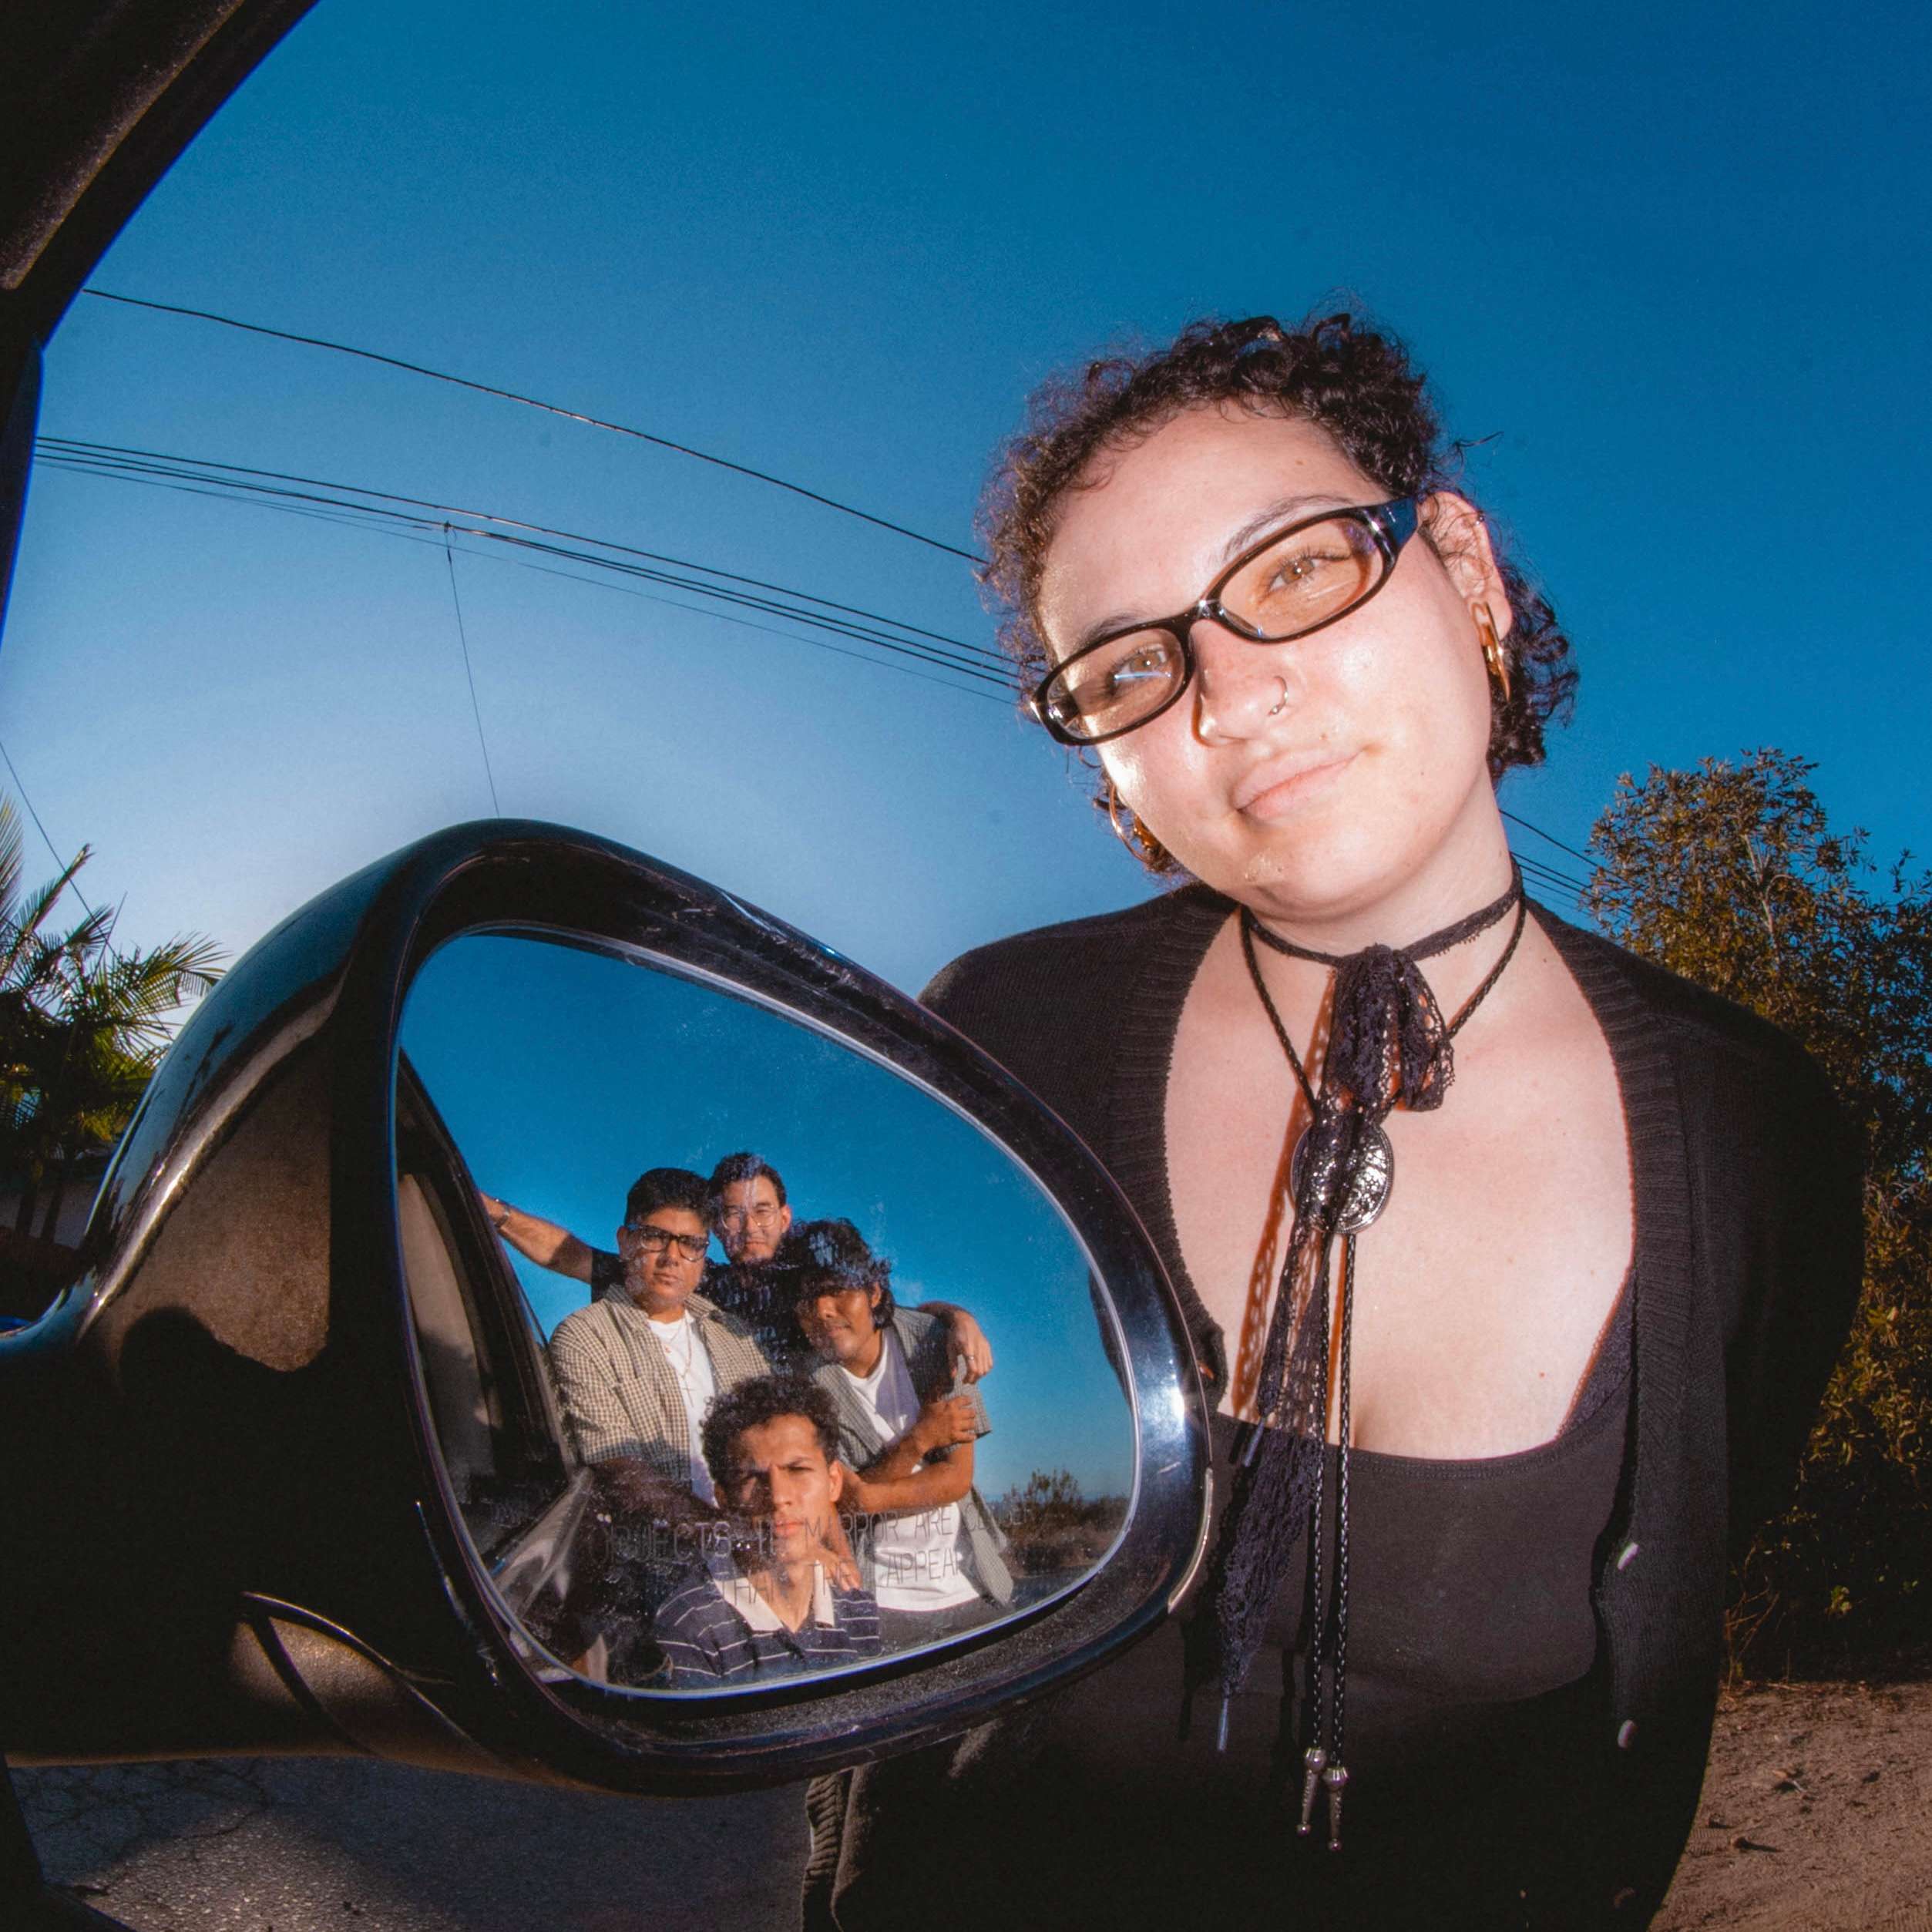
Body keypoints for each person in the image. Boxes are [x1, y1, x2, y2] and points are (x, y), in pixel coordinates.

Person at [808, 314, 1863, 1930]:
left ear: (1462, 567)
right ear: (1107, 774)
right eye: (1130, 666)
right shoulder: (1001, 1032)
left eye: (1292, 569)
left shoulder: (1752, 1136)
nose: (1228, 696)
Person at [483, 1151, 993, 1376]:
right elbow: (577, 1256)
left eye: (762, 1210)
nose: (748, 1226)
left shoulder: (821, 1283)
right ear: (715, 1230)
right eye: (731, 1214)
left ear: (786, 1215)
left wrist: (956, 1318)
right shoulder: (698, 1279)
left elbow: (892, 1311)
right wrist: (495, 1214)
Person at [788, 1218, 1013, 1643]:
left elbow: (955, 1478)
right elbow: (843, 1506)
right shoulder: (805, 1388)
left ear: (873, 1292)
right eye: (808, 1299)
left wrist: (871, 1495)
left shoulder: (934, 1342)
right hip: (878, 1599)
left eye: (838, 1290)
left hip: (973, 1581)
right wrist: (920, 1440)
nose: (823, 1310)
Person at [545, 1167, 770, 1537]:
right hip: (663, 1563)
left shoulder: (737, 1337)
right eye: (654, 1237)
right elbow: (617, 1464)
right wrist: (730, 1538)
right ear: (624, 1241)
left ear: (703, 1253)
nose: (672, 1257)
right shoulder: (585, 1336)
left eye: (690, 1243)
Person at [652, 1374, 882, 1685]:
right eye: (752, 1478)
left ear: (833, 1483)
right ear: (723, 1499)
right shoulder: (690, 1629)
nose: (777, 1497)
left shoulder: (858, 1609)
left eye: (798, 1470)